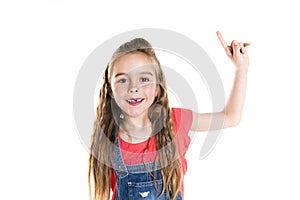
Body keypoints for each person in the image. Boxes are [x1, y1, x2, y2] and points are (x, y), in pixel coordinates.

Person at [88, 31, 250, 200]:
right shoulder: (107, 137)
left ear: (157, 88)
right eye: (122, 80)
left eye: (143, 79)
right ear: (110, 90)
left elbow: (231, 117)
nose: (133, 87)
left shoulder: (176, 122)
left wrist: (241, 68)